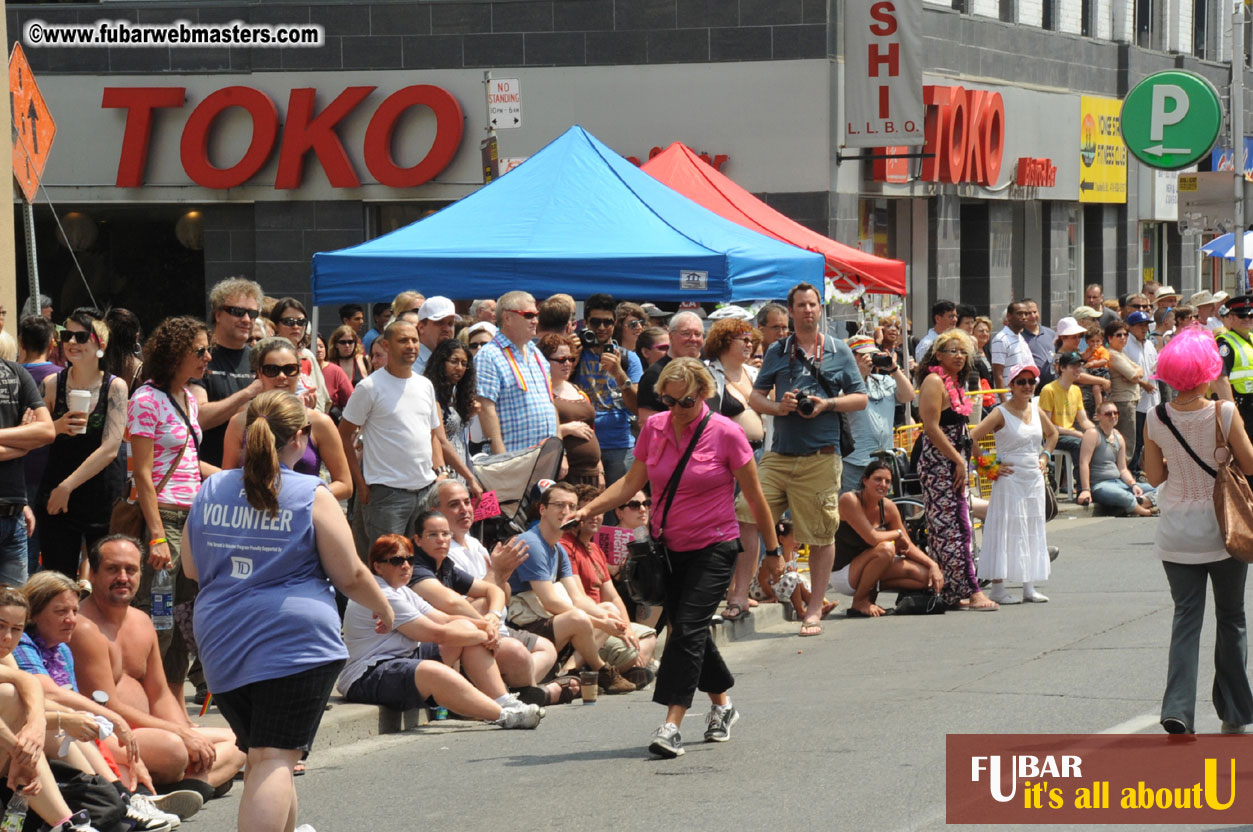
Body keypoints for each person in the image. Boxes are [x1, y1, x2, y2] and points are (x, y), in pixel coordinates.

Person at [183, 391, 394, 832]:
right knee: (274, 758)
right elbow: (351, 574)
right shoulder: (309, 492)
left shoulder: (211, 488)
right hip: (295, 642)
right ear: (300, 437)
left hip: (221, 641)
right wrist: (383, 606)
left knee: (265, 754)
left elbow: (191, 567)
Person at [571, 359, 779, 758]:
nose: (676, 408)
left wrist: (773, 553)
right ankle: (723, 706)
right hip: (667, 548)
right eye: (668, 400)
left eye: (684, 401)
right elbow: (631, 482)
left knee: (685, 630)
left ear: (703, 395)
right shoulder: (655, 427)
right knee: (689, 629)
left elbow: (755, 498)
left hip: (715, 546)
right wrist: (589, 509)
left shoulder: (727, 433)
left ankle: (671, 725)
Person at [731, 283, 867, 636]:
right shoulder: (778, 350)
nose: (808, 310)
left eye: (813, 304)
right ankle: (739, 594)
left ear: (820, 309)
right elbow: (756, 398)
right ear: (790, 311)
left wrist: (827, 404)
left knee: (820, 533)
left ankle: (814, 609)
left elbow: (860, 398)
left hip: (821, 456)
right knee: (745, 511)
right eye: (801, 305)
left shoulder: (838, 349)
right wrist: (780, 407)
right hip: (780, 454)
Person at [11, 573, 194, 828]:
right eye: (61, 611)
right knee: (168, 749)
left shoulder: (62, 649)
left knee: (228, 746)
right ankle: (124, 803)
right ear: (34, 614)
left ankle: (138, 799)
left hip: (76, 738)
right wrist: (114, 718)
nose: (71, 619)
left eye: (75, 611)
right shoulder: (21, 643)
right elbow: (50, 694)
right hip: (42, 737)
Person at [1141, 325, 1253, 734]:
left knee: (1186, 619)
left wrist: (1177, 459)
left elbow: (1154, 476)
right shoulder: (1224, 412)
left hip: (1176, 531)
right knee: (1231, 617)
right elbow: (1250, 463)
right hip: (1224, 528)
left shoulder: (1156, 417)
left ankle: (1177, 709)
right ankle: (1235, 712)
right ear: (1208, 371)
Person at [70, 536, 246, 796]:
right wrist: (180, 736)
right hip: (110, 735)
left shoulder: (142, 621)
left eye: (131, 569)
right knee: (175, 750)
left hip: (152, 733)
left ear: (141, 575)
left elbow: (160, 694)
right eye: (112, 569)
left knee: (240, 740)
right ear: (92, 574)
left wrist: (186, 732)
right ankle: (200, 781)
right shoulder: (84, 627)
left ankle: (188, 788)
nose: (123, 577)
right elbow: (107, 706)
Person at [339, 534, 543, 727]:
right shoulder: (382, 593)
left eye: (410, 560)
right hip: (367, 674)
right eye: (397, 561)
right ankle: (504, 715)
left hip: (403, 658)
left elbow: (445, 618)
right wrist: (486, 635)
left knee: (465, 629)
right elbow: (436, 633)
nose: (406, 566)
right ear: (378, 566)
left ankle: (503, 700)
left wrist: (485, 625)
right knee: (435, 670)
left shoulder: (402, 590)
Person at [127, 316, 215, 691]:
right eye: (200, 350)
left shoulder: (188, 398)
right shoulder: (146, 400)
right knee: (158, 615)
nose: (208, 357)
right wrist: (158, 536)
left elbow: (190, 462)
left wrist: (235, 478)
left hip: (192, 519)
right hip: (163, 518)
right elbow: (142, 474)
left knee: (181, 619)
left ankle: (173, 704)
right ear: (176, 353)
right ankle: (141, 698)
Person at [431, 480, 567, 703]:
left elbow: (504, 596)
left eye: (467, 502)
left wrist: (504, 574)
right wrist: (497, 572)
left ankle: (512, 692)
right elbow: (465, 608)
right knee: (517, 653)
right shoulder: (442, 551)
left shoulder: (475, 543)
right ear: (435, 511)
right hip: (474, 631)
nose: (464, 509)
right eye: (454, 504)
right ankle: (527, 694)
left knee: (547, 649)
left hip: (499, 624)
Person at [504, 484, 636, 695]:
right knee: (579, 618)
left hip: (545, 620)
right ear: (542, 509)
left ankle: (568, 672)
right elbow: (550, 602)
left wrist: (609, 619)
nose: (566, 511)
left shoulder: (558, 549)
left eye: (572, 507)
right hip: (521, 626)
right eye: (559, 505)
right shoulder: (531, 542)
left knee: (609, 609)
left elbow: (578, 598)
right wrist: (601, 623)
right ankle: (601, 670)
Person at [36, 310, 127, 578]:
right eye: (67, 336)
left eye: (81, 336)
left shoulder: (115, 387)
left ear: (101, 344)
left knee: (105, 578)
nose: (72, 342)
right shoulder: (52, 384)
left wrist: (67, 486)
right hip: (57, 496)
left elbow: (110, 448)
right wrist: (56, 427)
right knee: (58, 580)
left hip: (100, 496)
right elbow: (34, 435)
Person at [339, 320, 443, 543]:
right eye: (403, 340)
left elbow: (433, 433)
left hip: (425, 491)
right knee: (388, 560)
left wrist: (439, 472)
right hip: (386, 496)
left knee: (420, 560)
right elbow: (343, 436)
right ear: (386, 345)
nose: (411, 346)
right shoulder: (369, 387)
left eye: (414, 340)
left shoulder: (425, 385)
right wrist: (360, 485)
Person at [916, 330, 998, 611]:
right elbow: (930, 428)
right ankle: (972, 591)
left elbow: (962, 432)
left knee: (956, 526)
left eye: (964, 352)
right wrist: (958, 461)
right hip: (939, 465)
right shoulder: (934, 381)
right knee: (953, 528)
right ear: (938, 355)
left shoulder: (954, 383)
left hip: (954, 461)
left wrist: (986, 464)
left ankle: (951, 591)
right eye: (953, 351)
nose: (960, 356)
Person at [220, 337, 352, 500]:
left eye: (289, 369)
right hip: (252, 512)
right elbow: (227, 481)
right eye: (271, 370)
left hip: (303, 513)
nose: (282, 376)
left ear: (299, 372)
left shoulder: (320, 423)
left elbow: (344, 485)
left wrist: (297, 499)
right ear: (259, 374)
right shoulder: (240, 422)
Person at [970, 363, 1057, 605]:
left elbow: (1053, 434)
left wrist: (1045, 456)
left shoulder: (1036, 410)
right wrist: (989, 466)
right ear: (1012, 385)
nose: (1027, 386)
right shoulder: (1000, 412)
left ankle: (1029, 586)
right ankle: (998, 588)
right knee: (1005, 528)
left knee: (1031, 527)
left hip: (1032, 478)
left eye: (1031, 382)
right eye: (1021, 382)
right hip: (1009, 478)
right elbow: (972, 437)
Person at [561, 484, 657, 686]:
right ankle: (591, 671)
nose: (595, 516)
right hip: (588, 623)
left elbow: (613, 596)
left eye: (599, 511)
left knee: (648, 638)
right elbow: (578, 598)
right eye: (589, 511)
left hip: (606, 621)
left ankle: (608, 673)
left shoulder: (595, 549)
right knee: (629, 647)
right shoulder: (565, 546)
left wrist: (628, 629)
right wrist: (612, 624)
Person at [832, 461, 944, 617]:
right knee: (886, 549)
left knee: (926, 577)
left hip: (872, 566)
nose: (883, 485)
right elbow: (873, 538)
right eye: (878, 479)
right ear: (865, 481)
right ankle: (859, 601)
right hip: (844, 573)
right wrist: (897, 533)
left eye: (887, 481)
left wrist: (933, 565)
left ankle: (871, 594)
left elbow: (908, 546)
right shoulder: (849, 500)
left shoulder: (888, 507)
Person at [190, 277, 264, 468]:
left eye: (252, 313)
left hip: (252, 473)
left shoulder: (260, 359)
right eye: (238, 312)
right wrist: (248, 393)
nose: (246, 319)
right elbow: (198, 418)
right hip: (207, 472)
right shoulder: (201, 357)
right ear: (218, 314)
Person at [474, 292, 558, 454]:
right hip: (514, 458)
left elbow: (550, 402)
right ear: (507, 318)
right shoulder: (489, 355)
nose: (535, 321)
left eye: (536, 315)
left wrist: (560, 452)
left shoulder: (536, 353)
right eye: (528, 315)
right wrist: (501, 459)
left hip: (545, 457)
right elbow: (486, 409)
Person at [573, 294, 640, 484]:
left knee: (622, 501)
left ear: (615, 322)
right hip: (583, 443)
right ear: (586, 322)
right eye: (596, 322)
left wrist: (619, 374)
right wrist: (572, 358)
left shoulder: (628, 358)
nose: (602, 327)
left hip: (619, 443)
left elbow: (637, 407)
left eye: (607, 322)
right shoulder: (575, 353)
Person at [841, 335, 915, 493]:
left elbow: (908, 396)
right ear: (851, 357)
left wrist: (894, 369)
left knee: (882, 505)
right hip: (855, 462)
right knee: (852, 504)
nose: (870, 359)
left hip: (883, 461)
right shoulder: (843, 383)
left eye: (872, 355)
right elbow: (842, 404)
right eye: (864, 355)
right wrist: (858, 375)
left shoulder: (884, 380)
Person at [19, 315, 62, 576]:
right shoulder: (61, 377)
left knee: (26, 538)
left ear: (21, 343)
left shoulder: (11, 375)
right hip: (54, 472)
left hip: (19, 469)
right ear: (52, 343)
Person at [423, 339, 484, 496]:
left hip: (460, 469)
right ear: (440, 362)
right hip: (443, 473)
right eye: (454, 361)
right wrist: (470, 478)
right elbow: (441, 440)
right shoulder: (431, 394)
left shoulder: (455, 393)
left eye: (464, 363)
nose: (459, 368)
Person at [538, 334, 601, 486]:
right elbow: (536, 433)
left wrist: (600, 470)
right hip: (564, 474)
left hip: (590, 473)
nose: (567, 364)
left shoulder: (577, 390)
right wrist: (566, 429)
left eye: (571, 359)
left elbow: (591, 431)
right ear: (544, 361)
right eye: (561, 360)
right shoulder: (541, 393)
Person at [1077, 402, 1155, 516]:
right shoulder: (1092, 434)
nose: (1113, 416)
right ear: (1098, 416)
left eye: (1116, 413)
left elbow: (1122, 469)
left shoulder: (1119, 437)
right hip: (1101, 485)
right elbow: (1083, 463)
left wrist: (1133, 485)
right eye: (1108, 414)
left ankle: (1138, 503)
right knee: (1124, 496)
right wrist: (1086, 490)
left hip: (1119, 482)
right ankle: (1146, 512)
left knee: (1158, 488)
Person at [703, 319, 764, 453]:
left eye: (751, 341)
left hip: (761, 451)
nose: (749, 345)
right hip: (727, 451)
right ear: (725, 341)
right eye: (745, 340)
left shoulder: (754, 373)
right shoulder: (709, 376)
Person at [635, 311, 705, 425]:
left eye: (698, 334)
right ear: (671, 336)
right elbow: (647, 422)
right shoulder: (655, 374)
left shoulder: (705, 369)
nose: (693, 339)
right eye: (686, 333)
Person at [268, 298, 331, 415]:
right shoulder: (267, 356)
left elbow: (322, 398)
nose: (296, 326)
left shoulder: (307, 356)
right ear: (275, 325)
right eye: (289, 321)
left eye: (301, 322)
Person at [1037, 351, 1092, 481]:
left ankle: (1094, 480)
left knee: (1096, 440)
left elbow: (1084, 421)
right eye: (1073, 366)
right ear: (1062, 368)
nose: (1078, 369)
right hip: (1053, 437)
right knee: (1080, 443)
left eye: (1079, 366)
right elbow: (1047, 427)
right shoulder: (1049, 390)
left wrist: (1097, 432)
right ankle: (1082, 484)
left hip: (1070, 434)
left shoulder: (1076, 390)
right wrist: (1075, 433)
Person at [1212, 295, 1253, 443]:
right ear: (1230, 317)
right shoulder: (1224, 344)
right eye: (1242, 315)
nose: (1247, 319)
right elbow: (1220, 379)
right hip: (1239, 406)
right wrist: (1233, 414)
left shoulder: (1251, 338)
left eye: (1251, 315)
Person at [1124, 310, 1161, 474]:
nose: (1144, 328)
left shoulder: (1149, 344)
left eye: (1146, 325)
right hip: (1136, 398)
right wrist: (1142, 383)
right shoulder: (1126, 345)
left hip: (1152, 398)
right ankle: (1132, 470)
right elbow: (1126, 372)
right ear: (1130, 327)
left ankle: (1144, 468)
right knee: (1136, 438)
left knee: (1151, 437)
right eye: (1140, 325)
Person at [1105, 319, 1143, 467]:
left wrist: (1135, 374)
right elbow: (1133, 375)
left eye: (1125, 334)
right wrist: (1134, 375)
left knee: (1129, 440)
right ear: (1109, 338)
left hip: (1129, 400)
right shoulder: (1112, 354)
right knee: (1126, 441)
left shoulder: (1121, 354)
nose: (1123, 338)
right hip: (1123, 402)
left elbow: (1139, 371)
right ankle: (1122, 471)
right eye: (1119, 335)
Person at [990, 301, 1032, 394]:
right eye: (1020, 314)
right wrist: (1004, 401)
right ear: (1009, 316)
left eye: (1026, 314)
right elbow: (998, 374)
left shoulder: (1021, 338)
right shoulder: (1001, 339)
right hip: (1008, 398)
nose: (1024, 317)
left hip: (1021, 396)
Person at [413, 296, 456, 375]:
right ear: (421, 327)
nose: (447, 329)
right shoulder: (409, 363)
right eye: (440, 323)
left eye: (451, 323)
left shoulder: (456, 362)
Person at [1021, 299, 1057, 384]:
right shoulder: (1020, 337)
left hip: (1053, 384)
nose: (1033, 316)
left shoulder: (1051, 333)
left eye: (1035, 312)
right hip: (1032, 385)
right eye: (1028, 313)